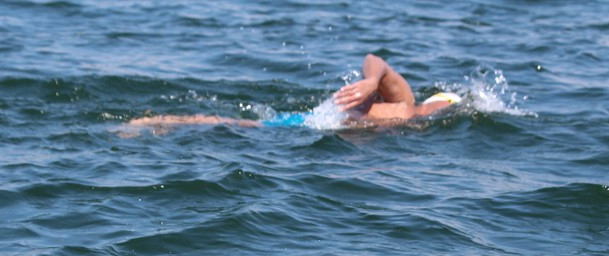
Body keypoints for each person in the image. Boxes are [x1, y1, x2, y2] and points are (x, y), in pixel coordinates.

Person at [125, 53, 462, 130]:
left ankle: (165, 122)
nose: (440, 112)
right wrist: (372, 83)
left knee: (235, 125)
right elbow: (375, 60)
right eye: (443, 107)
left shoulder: (406, 130)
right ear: (436, 103)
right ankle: (159, 120)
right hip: (307, 124)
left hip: (312, 130)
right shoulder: (404, 102)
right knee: (231, 123)